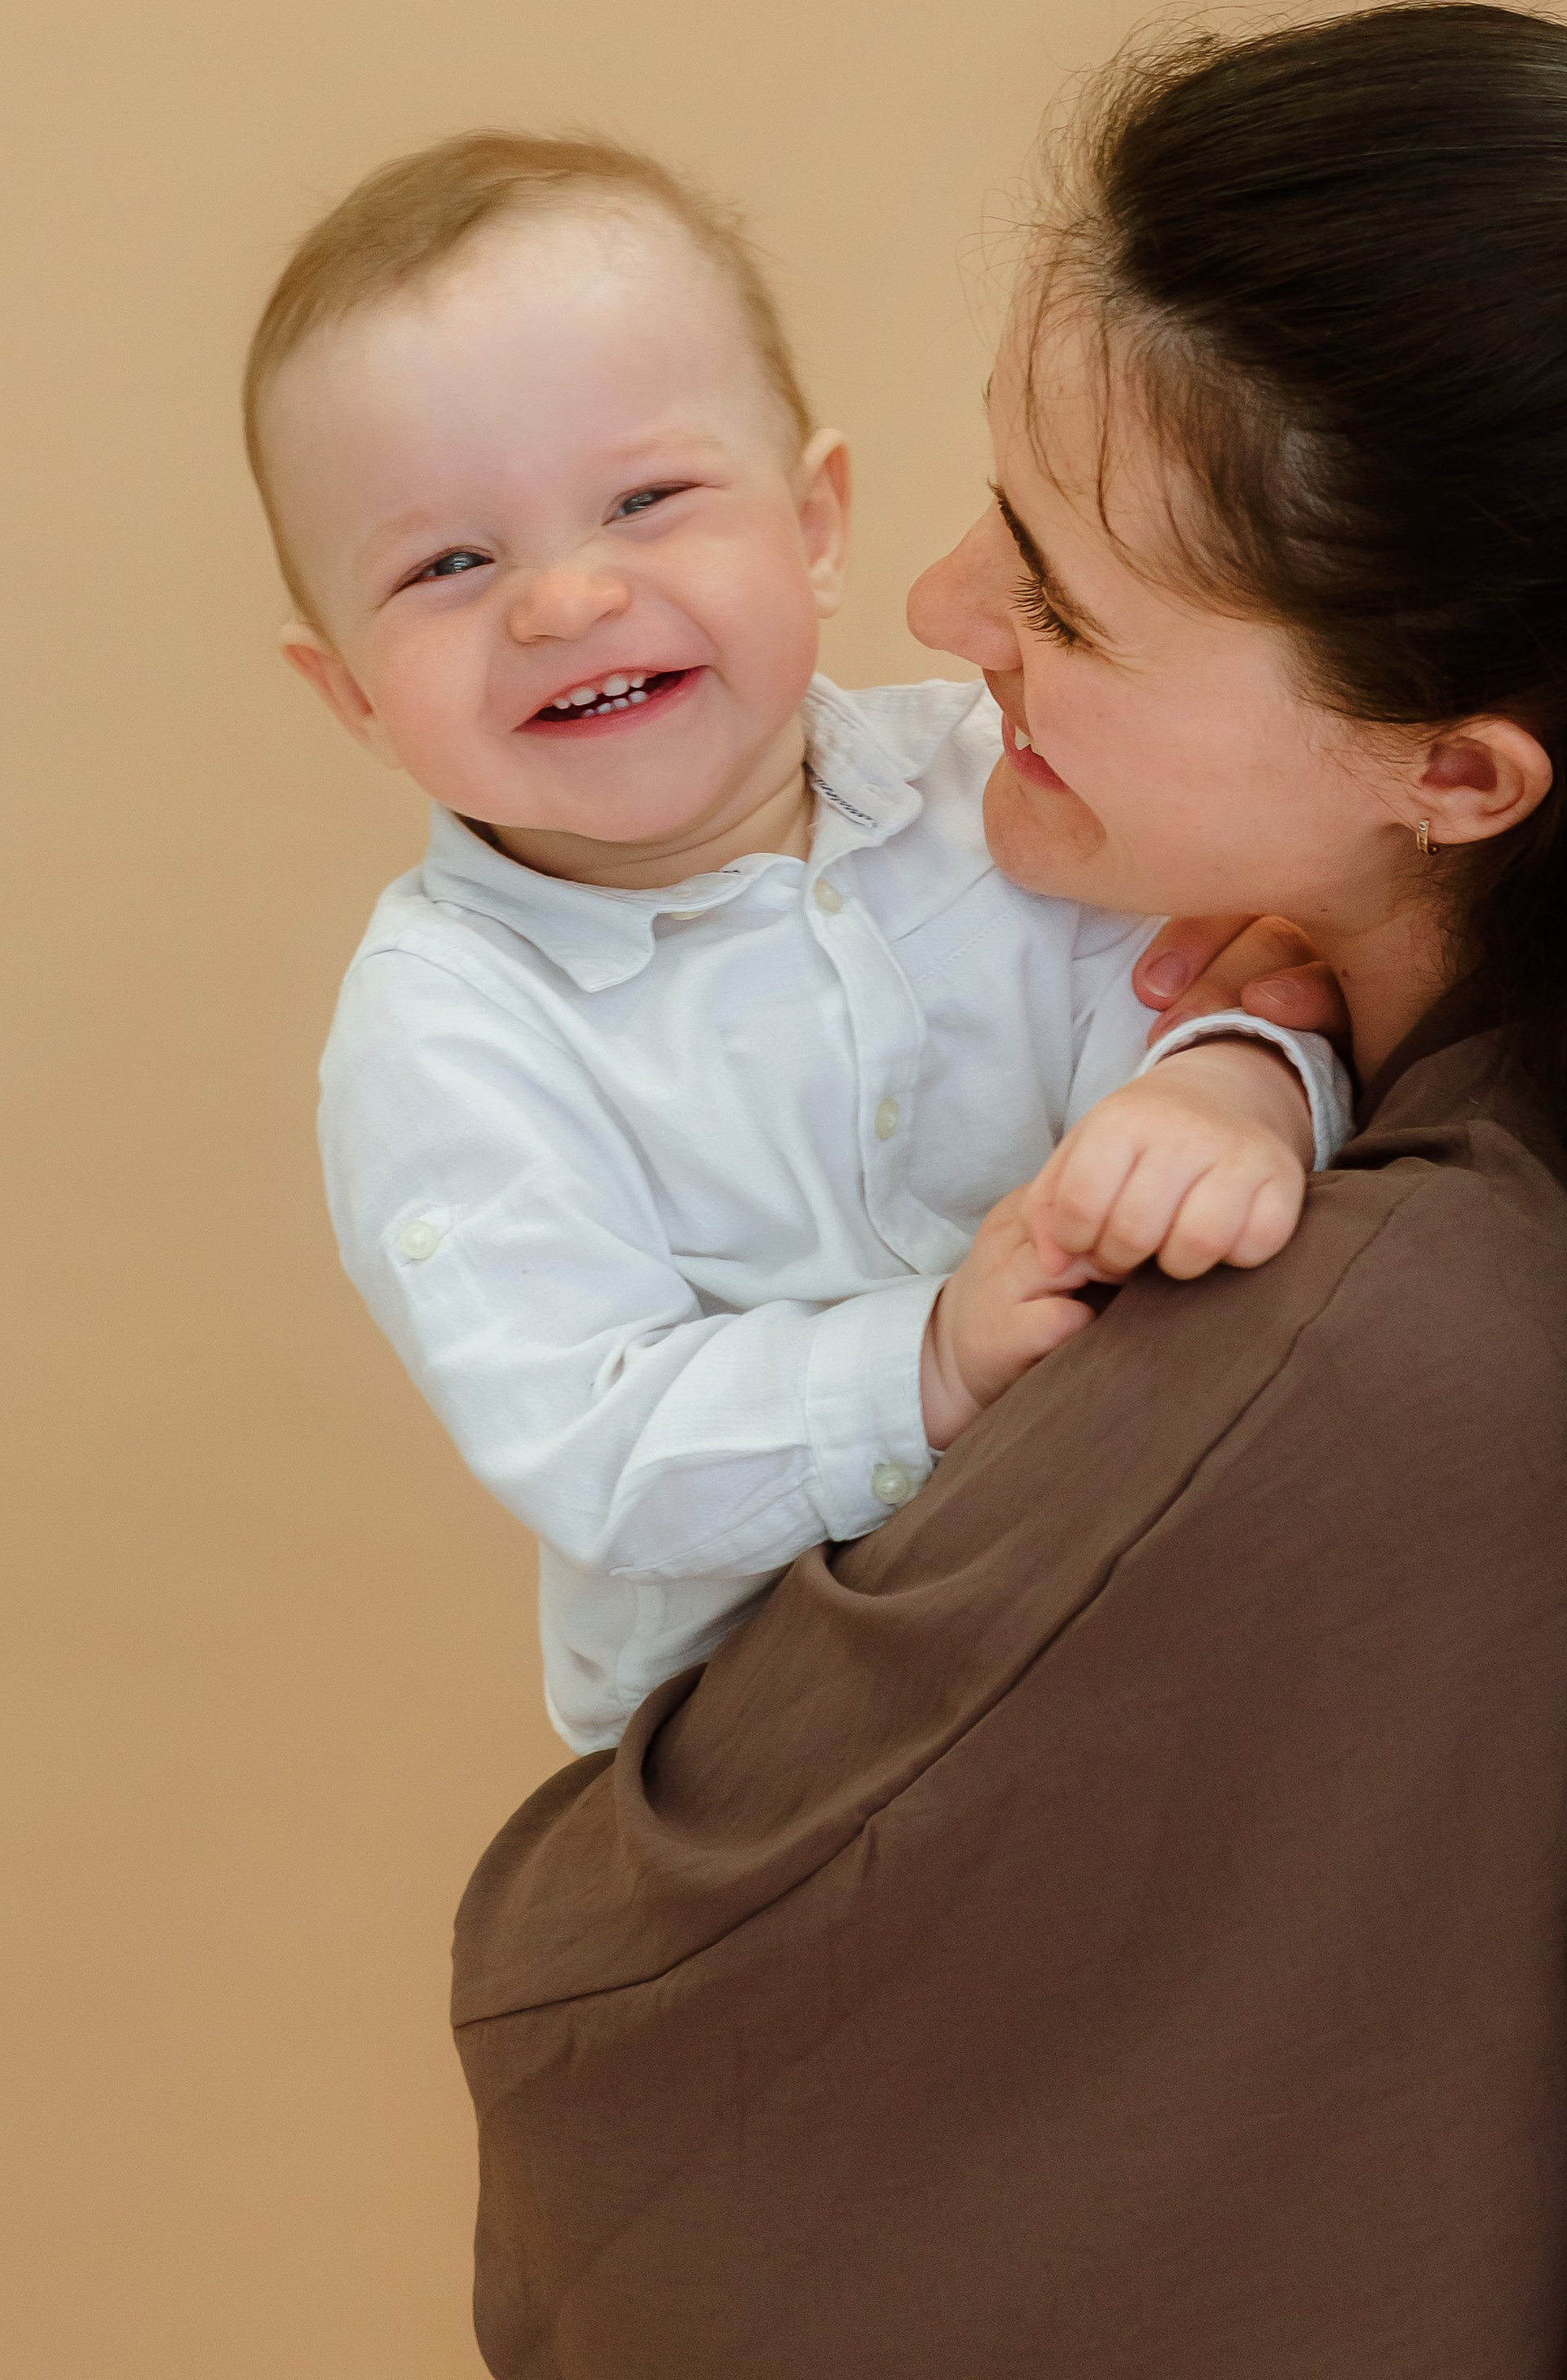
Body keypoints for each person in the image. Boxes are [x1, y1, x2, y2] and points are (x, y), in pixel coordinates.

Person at [451, 3, 1567, 2378]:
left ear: (1456, 773)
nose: (936, 612)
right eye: (994, 503)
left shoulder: (1316, 1348)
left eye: (1056, 595)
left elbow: (620, 2005)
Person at [243, 131, 1347, 1751]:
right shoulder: (449, 1028)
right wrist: (930, 1362)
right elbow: (595, 1444)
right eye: (449, 565)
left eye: (644, 499)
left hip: (1127, 1573)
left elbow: (1244, 987)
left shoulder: (1004, 788)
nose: (565, 601)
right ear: (349, 693)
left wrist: (1230, 1087)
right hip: (778, 1732)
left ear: (815, 525)